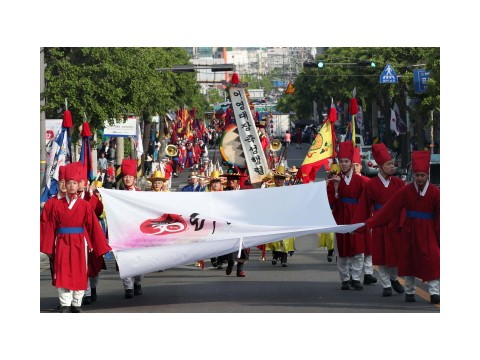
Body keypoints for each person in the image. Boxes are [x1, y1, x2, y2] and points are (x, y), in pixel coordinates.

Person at [363, 150, 440, 304]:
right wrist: (370, 223)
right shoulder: (406, 190)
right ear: (413, 175)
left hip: (428, 231)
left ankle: (434, 292)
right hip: (410, 230)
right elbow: (390, 209)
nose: (419, 178)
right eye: (417, 175)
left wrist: (439, 236)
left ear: (427, 175)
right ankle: (410, 292)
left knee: (432, 261)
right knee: (409, 262)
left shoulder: (435, 193)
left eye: (422, 175)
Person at [40, 162, 111, 313]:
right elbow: (50, 226)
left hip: (80, 241)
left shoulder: (85, 206)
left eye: (74, 183)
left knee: (80, 272)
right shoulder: (56, 205)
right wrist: (47, 247)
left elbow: (93, 226)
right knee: (62, 271)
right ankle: (65, 303)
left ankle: (76, 302)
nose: (71, 186)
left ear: (78, 184)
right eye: (68, 183)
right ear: (64, 184)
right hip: (62, 241)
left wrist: (97, 246)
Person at [353, 143, 405, 297]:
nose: (392, 167)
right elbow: (363, 206)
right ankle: (386, 284)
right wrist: (359, 226)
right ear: (380, 166)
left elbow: (405, 205)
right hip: (379, 224)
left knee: (395, 256)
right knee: (381, 256)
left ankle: (394, 278)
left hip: (395, 223)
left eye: (392, 164)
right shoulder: (372, 185)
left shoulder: (399, 183)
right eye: (388, 164)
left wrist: (404, 222)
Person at [328, 141, 367, 291]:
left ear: (352, 163)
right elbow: (331, 203)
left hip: (357, 217)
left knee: (358, 250)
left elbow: (365, 201)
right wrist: (336, 187)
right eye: (341, 162)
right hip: (341, 217)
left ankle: (356, 278)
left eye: (346, 161)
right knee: (342, 251)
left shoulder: (360, 181)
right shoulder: (334, 181)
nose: (343, 164)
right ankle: (344, 279)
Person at [119, 158, 146, 299]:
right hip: (123, 232)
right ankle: (128, 287)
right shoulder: (117, 195)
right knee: (125, 261)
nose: (127, 179)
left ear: (134, 179)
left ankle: (138, 283)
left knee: (139, 260)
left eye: (130, 177)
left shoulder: (141, 194)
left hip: (139, 232)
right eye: (125, 177)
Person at [351, 147, 377, 285]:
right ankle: (354, 276)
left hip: (366, 216)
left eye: (357, 165)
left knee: (369, 248)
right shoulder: (345, 181)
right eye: (353, 165)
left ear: (361, 166)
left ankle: (368, 273)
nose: (355, 168)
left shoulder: (367, 181)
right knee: (357, 249)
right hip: (352, 216)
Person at [217, 169, 249, 277]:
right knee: (230, 245)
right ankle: (230, 262)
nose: (231, 182)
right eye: (229, 180)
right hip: (228, 223)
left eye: (233, 180)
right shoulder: (223, 193)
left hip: (241, 222)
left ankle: (240, 269)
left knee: (243, 246)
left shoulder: (245, 193)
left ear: (237, 182)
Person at [265, 166, 296, 267]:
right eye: (277, 178)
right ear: (274, 178)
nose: (279, 180)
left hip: (286, 218)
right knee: (275, 238)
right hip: (273, 217)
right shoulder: (269, 189)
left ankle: (284, 259)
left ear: (284, 180)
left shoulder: (289, 190)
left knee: (285, 239)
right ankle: (275, 254)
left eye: (281, 178)